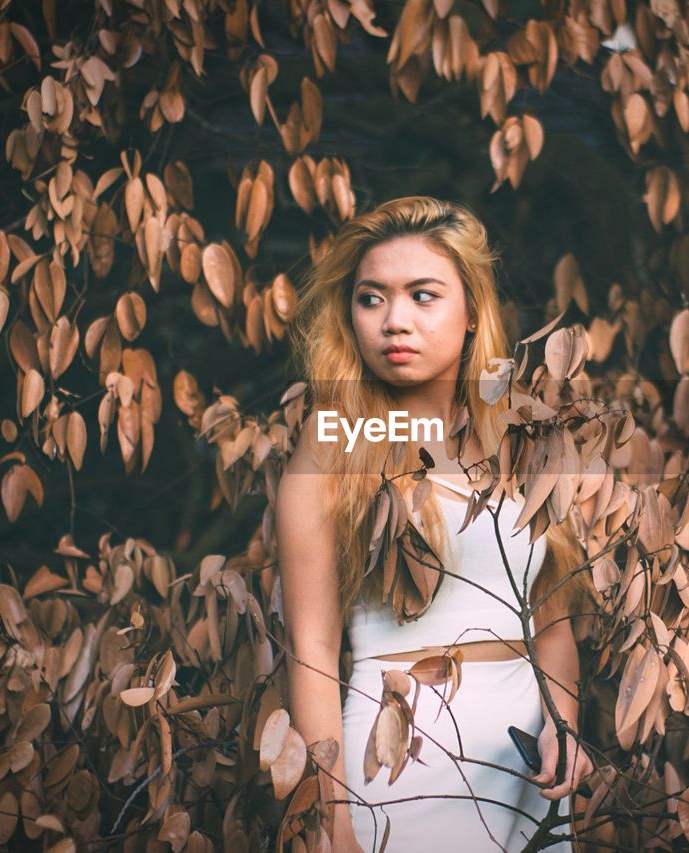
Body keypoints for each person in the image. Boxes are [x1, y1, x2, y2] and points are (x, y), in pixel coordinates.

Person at [274, 196, 595, 851]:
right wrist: (329, 815)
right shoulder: (334, 442)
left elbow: (552, 622)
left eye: (424, 295)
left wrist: (563, 725)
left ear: (473, 310)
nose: (395, 320)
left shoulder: (524, 439)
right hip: (404, 752)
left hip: (526, 762)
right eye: (372, 298)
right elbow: (311, 648)